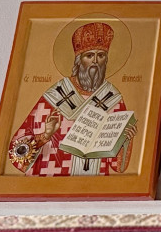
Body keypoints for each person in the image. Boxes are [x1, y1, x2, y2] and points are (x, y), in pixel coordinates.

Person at [8, 22, 136, 176]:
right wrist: (45, 135)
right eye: (89, 55)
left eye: (101, 55)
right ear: (78, 60)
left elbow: (117, 166)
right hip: (52, 179)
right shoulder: (56, 94)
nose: (95, 61)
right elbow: (17, 152)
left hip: (94, 182)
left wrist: (125, 140)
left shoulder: (112, 98)